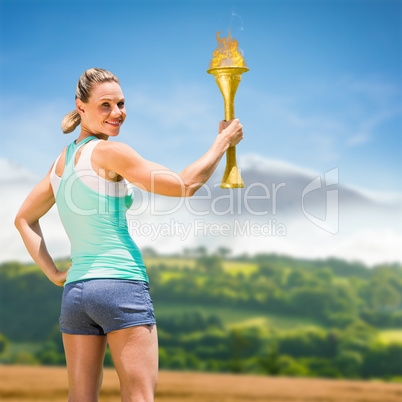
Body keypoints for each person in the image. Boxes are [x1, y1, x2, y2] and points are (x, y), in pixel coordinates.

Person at [14, 68, 243, 402]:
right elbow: (185, 185)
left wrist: (54, 273)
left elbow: (23, 219)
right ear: (81, 107)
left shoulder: (59, 164)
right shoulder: (111, 152)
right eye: (105, 105)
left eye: (120, 103)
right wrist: (223, 142)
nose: (117, 112)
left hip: (77, 293)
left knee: (80, 398)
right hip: (120, 285)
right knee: (139, 396)